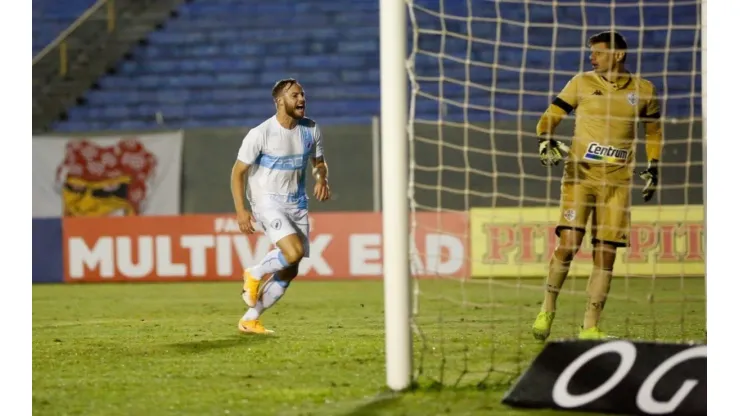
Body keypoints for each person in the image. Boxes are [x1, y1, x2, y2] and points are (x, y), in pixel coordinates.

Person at [532, 31, 663, 340]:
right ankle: (547, 309)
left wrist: (653, 166)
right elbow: (550, 116)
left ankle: (590, 327)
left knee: (606, 254)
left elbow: (654, 131)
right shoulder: (581, 82)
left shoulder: (644, 90)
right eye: (591, 52)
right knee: (569, 245)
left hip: (617, 184)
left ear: (618, 55)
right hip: (580, 177)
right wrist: (545, 139)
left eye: (599, 52)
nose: (592, 57)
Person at [230, 78, 330, 334]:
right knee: (293, 252)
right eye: (295, 95)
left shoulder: (311, 129)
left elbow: (318, 163)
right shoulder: (260, 133)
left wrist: (322, 179)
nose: (301, 100)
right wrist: (241, 209)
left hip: (296, 203)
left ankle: (250, 319)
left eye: (302, 95)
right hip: (266, 200)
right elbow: (238, 172)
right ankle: (254, 273)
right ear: (279, 101)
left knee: (290, 268)